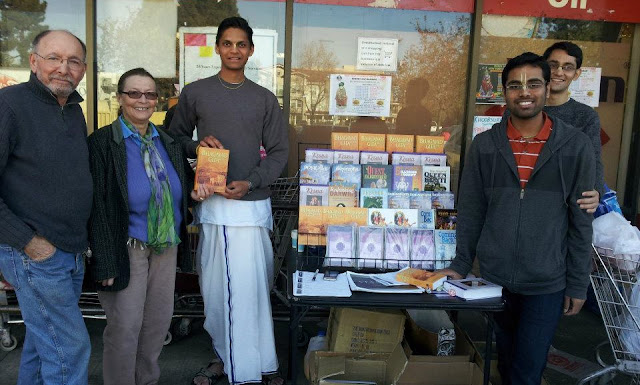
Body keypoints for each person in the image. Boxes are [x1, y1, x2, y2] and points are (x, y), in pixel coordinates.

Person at [439, 52, 595, 385]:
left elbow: (581, 221)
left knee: (527, 369)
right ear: (504, 91)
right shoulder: (484, 146)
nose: (524, 92)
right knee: (506, 361)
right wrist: (461, 263)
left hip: (547, 281)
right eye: (514, 85)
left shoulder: (575, 146)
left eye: (533, 84)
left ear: (547, 87)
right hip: (493, 278)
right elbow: (471, 209)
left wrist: (578, 282)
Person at [169, 17, 288, 385]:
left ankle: (261, 363)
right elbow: (173, 139)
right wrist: (196, 145)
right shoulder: (195, 92)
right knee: (219, 293)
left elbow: (281, 152)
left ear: (250, 50)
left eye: (241, 44)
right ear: (217, 47)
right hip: (215, 208)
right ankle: (226, 360)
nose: (234, 50)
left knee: (253, 290)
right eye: (227, 43)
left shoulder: (265, 99)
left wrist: (251, 182)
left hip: (252, 209)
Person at [87, 68, 211, 385]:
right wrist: (104, 260)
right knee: (125, 327)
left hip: (165, 247)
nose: (143, 100)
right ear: (120, 98)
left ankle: (147, 381)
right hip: (126, 248)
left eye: (150, 94)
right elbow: (97, 207)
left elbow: (178, 188)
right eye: (134, 93)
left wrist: (193, 196)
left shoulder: (165, 141)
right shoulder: (102, 143)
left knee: (156, 326)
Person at [0, 30, 92, 385]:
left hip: (68, 251)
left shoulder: (72, 109)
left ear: (83, 69)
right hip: (35, 252)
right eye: (54, 58)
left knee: (45, 347)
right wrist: (27, 241)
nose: (63, 68)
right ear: (33, 61)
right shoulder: (9, 105)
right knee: (70, 349)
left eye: (73, 61)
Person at [504, 41, 603, 213]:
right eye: (553, 65)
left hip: (562, 204)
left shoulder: (585, 116)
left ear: (577, 74)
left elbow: (593, 161)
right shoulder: (520, 107)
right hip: (515, 201)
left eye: (567, 67)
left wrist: (596, 191)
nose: (559, 72)